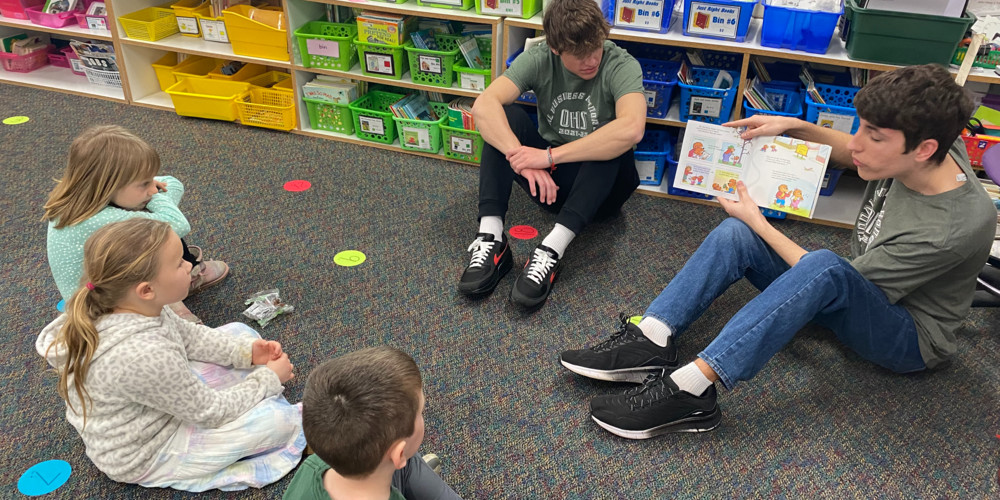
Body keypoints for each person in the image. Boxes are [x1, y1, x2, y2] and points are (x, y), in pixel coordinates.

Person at [558, 64, 997, 439]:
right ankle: (651, 337)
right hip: (862, 282)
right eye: (861, 127)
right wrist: (793, 127)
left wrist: (759, 221)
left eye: (875, 138)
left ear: (924, 150)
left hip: (906, 336)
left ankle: (692, 390)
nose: (857, 144)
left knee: (815, 262)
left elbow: (842, 282)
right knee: (737, 234)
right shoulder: (935, 139)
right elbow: (849, 150)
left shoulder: (951, 227)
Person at [36, 218, 304, 490]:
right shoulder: (145, 355)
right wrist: (268, 380)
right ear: (146, 289)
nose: (190, 265)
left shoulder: (136, 305)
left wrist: (245, 352)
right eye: (179, 263)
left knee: (238, 333)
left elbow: (190, 337)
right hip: (149, 452)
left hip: (157, 403)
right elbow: (211, 411)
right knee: (278, 424)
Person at [457, 0, 646, 308]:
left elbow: (632, 129)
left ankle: (552, 249)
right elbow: (484, 105)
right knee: (506, 115)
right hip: (549, 185)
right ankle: (491, 237)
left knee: (615, 141)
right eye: (580, 54)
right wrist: (520, 157)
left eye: (596, 47)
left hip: (603, 192)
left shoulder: (621, 64)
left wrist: (546, 158)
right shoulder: (540, 57)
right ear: (556, 49)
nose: (591, 59)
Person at [43, 125, 228, 323]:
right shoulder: (98, 220)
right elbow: (177, 223)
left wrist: (149, 193)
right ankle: (175, 314)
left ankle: (178, 282)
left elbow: (172, 183)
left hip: (107, 290)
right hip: (102, 315)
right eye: (143, 184)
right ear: (109, 185)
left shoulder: (83, 199)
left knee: (149, 218)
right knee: (156, 232)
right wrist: (157, 202)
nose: (153, 189)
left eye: (150, 180)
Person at [284, 346, 463, 500]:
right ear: (398, 454)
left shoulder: (314, 466)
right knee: (408, 460)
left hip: (382, 469)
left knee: (391, 446)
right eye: (420, 412)